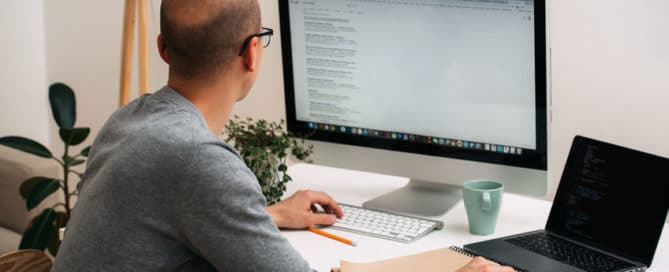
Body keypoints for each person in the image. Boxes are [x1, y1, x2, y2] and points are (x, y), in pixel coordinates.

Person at [53, 0, 515, 271]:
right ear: (253, 53)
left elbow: (165, 217)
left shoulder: (129, 120)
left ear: (162, 48)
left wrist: (265, 214)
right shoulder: (196, 159)